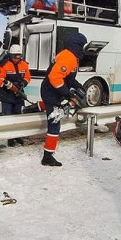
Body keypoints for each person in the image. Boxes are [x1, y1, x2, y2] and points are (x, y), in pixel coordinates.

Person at [40, 32, 87, 166]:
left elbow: (67, 77)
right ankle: (47, 157)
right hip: (51, 93)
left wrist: (78, 86)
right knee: (54, 123)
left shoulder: (71, 56)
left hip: (53, 92)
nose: (83, 49)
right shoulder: (68, 57)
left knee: (54, 114)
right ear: (77, 45)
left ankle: (32, 108)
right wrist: (68, 94)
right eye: (82, 46)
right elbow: (55, 77)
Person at [0, 44, 31, 146]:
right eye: (14, 56)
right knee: (8, 117)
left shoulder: (24, 64)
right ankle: (10, 139)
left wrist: (23, 83)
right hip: (7, 95)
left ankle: (18, 136)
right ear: (10, 55)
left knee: (18, 116)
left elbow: (27, 76)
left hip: (19, 94)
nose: (16, 58)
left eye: (18, 56)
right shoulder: (3, 65)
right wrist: (7, 85)